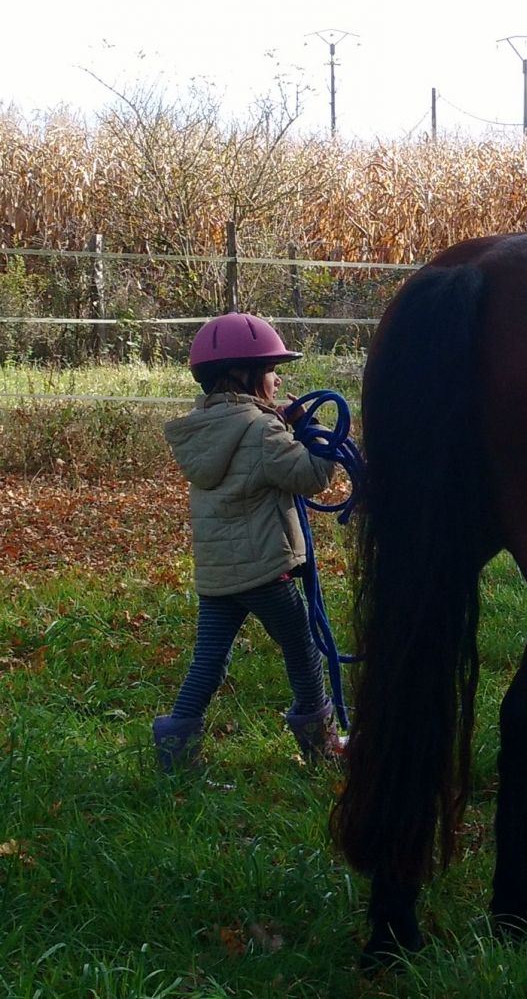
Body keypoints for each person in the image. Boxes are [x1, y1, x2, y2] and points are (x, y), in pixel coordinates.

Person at [152, 312, 341, 771]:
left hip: (219, 575)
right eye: (272, 370)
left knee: (209, 662)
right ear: (245, 374)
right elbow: (311, 477)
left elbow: (258, 460)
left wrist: (283, 427)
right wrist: (321, 438)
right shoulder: (261, 429)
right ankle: (320, 745)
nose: (278, 380)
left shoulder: (205, 428)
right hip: (265, 571)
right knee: (302, 647)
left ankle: (176, 754)